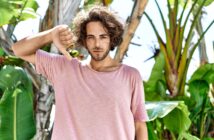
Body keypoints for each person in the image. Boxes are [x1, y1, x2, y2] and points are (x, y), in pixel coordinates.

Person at [12, 6, 148, 140]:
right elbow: (18, 50)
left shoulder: (130, 76)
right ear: (84, 39)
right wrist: (51, 34)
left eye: (103, 37)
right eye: (91, 37)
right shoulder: (65, 68)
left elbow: (139, 125)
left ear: (112, 38)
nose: (97, 44)